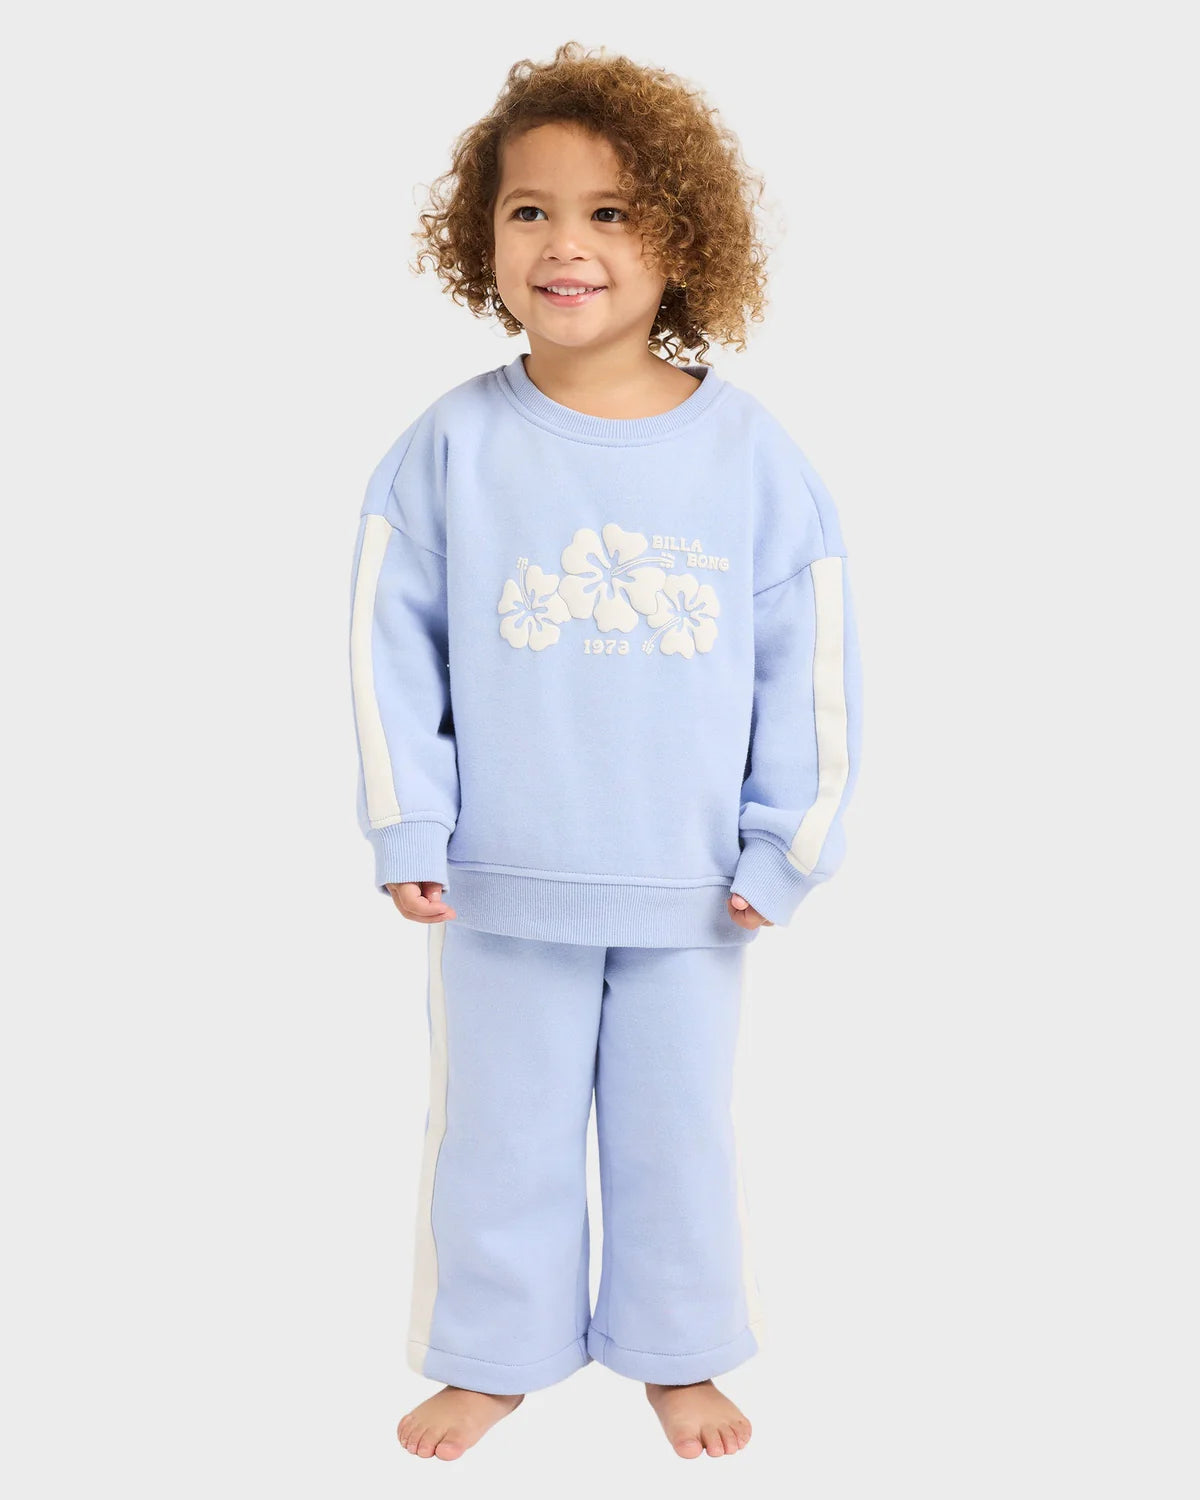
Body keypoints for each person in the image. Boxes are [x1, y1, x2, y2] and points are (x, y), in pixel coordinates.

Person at [347, 41, 863, 1463]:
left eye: (612, 212)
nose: (565, 244)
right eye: (530, 210)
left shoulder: (752, 456)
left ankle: (679, 1355)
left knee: (674, 1138)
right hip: (499, 884)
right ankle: (494, 1354)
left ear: (682, 240)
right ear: (483, 237)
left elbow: (810, 666)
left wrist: (786, 846)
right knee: (496, 1138)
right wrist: (408, 827)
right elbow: (388, 654)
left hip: (695, 892)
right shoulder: (449, 448)